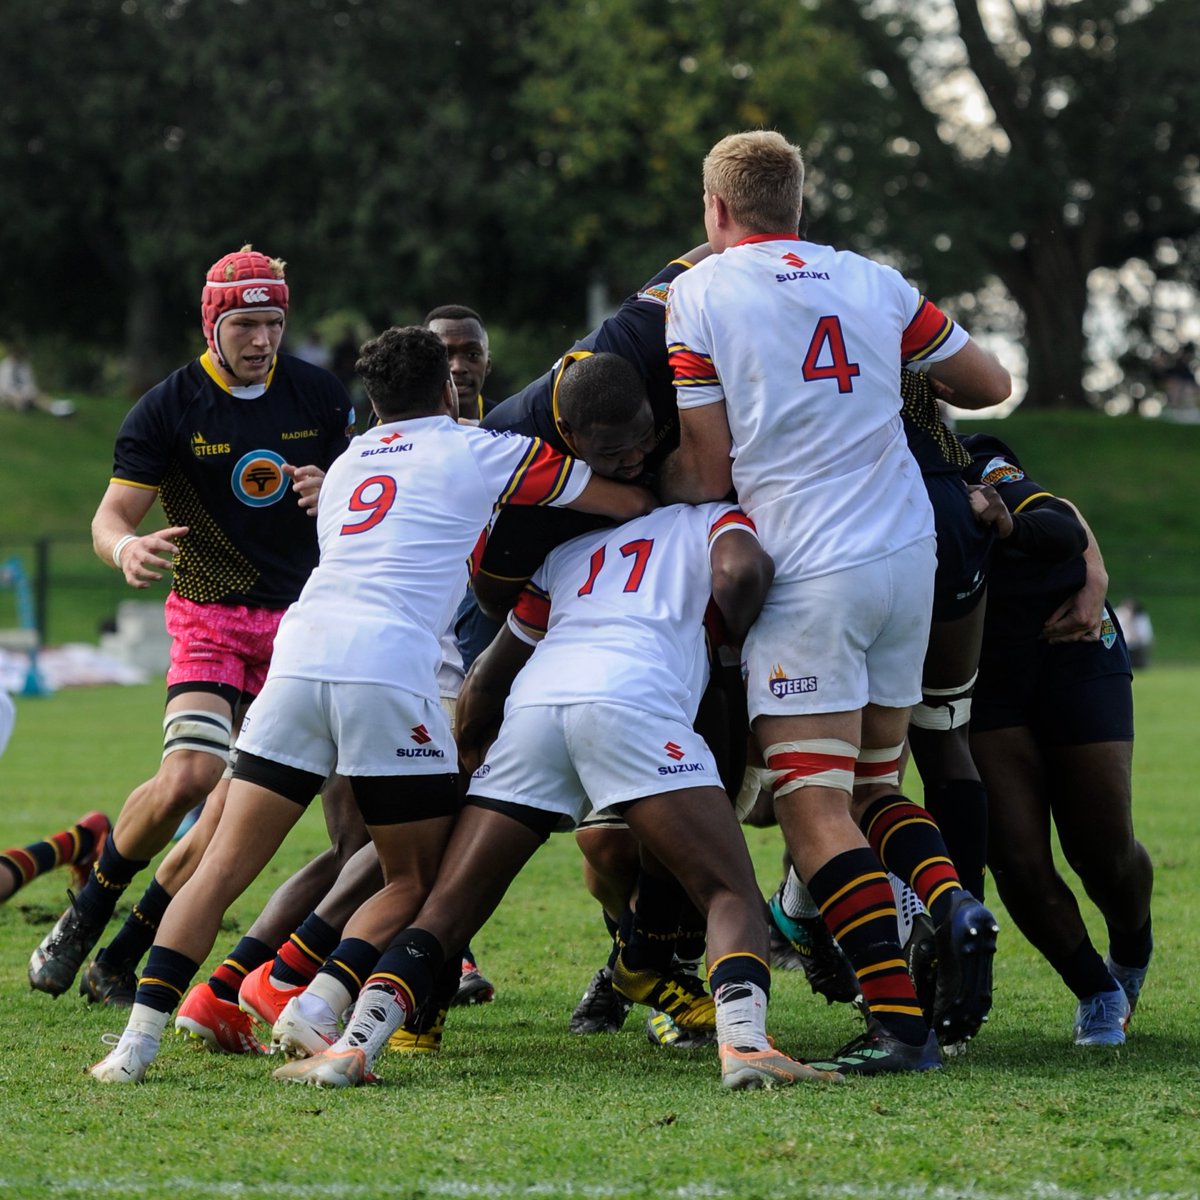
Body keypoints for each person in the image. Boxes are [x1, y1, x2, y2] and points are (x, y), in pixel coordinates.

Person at [89, 324, 655, 1083]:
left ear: (373, 401)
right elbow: (618, 499)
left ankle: (133, 1049)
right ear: (451, 390)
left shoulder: (349, 463)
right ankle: (317, 1009)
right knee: (412, 878)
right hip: (390, 668)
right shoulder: (479, 447)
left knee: (220, 867)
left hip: (300, 655)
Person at [269, 497, 841, 1092]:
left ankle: (354, 1045)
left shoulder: (570, 550)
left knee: (446, 908)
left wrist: (469, 753)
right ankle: (745, 1045)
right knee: (730, 890)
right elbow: (741, 572)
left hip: (537, 709)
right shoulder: (712, 518)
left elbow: (492, 672)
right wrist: (728, 643)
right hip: (631, 700)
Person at [661, 130, 1011, 1073]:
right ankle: (951, 902)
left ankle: (899, 1024)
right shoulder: (871, 280)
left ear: (716, 210)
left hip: (811, 567)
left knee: (813, 808)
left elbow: (705, 468)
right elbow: (989, 384)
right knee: (875, 787)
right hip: (907, 554)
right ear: (800, 206)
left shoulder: (698, 290)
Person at [27, 246, 354, 1004]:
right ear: (213, 325)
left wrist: (332, 485)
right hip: (210, 618)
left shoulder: (316, 395)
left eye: (274, 322)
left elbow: (368, 492)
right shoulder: (169, 406)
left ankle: (127, 948)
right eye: (245, 324)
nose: (262, 340)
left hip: (302, 629)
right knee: (190, 775)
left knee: (229, 811)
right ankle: (86, 913)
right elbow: (110, 517)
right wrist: (126, 547)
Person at [961, 434, 1155, 1047]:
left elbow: (1058, 514)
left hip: (1067, 643)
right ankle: (1098, 991)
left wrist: (1015, 528)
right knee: (1015, 854)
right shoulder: (845, 473)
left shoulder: (971, 454)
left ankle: (1130, 951)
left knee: (1101, 848)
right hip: (981, 673)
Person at [423, 305, 495, 424]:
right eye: (444, 355)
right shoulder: (391, 428)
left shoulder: (511, 426)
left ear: (487, 364)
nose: (458, 368)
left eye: (472, 355)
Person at [0, 340, 75, 416]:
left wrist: (29, 391)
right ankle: (25, 405)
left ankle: (56, 408)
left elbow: (29, 381)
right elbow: (5, 387)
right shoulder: (5, 367)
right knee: (20, 399)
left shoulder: (25, 365)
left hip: (23, 392)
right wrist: (18, 394)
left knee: (37, 395)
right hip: (8, 394)